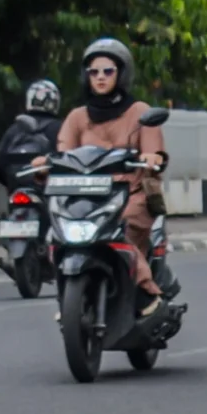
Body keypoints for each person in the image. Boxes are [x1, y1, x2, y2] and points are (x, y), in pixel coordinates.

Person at [54, 41, 167, 316]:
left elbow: (155, 150)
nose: (101, 77)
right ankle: (68, 299)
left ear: (121, 74)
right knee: (57, 232)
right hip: (87, 194)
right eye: (94, 72)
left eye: (107, 70)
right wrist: (45, 163)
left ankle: (145, 293)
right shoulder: (78, 117)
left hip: (131, 193)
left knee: (120, 227)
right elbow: (62, 152)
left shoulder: (139, 112)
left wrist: (153, 156)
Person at [0, 80, 61, 190]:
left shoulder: (15, 129)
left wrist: (12, 186)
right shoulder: (59, 128)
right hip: (47, 191)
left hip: (17, 190)